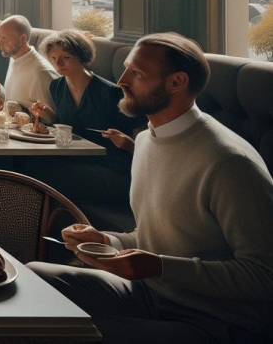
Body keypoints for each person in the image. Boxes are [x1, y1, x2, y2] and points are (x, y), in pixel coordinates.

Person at [29, 33, 273, 344]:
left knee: (61, 329)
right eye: (126, 68)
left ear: (176, 82)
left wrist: (159, 266)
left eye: (137, 73)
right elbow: (155, 236)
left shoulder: (228, 162)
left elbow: (264, 275)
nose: (122, 81)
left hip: (213, 320)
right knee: (32, 278)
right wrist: (108, 240)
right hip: (151, 291)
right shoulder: (145, 141)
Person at [26, 30, 146, 206]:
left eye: (65, 57)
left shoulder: (111, 93)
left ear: (81, 56)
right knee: (27, 164)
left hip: (111, 168)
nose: (58, 63)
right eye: (53, 58)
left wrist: (129, 144)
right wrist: (43, 116)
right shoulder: (57, 87)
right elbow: (65, 125)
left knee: (43, 175)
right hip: (74, 159)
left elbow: (142, 132)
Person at [0, 15, 57, 111]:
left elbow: (52, 120)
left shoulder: (41, 72)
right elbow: (11, 100)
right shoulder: (14, 58)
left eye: (4, 39)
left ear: (23, 39)